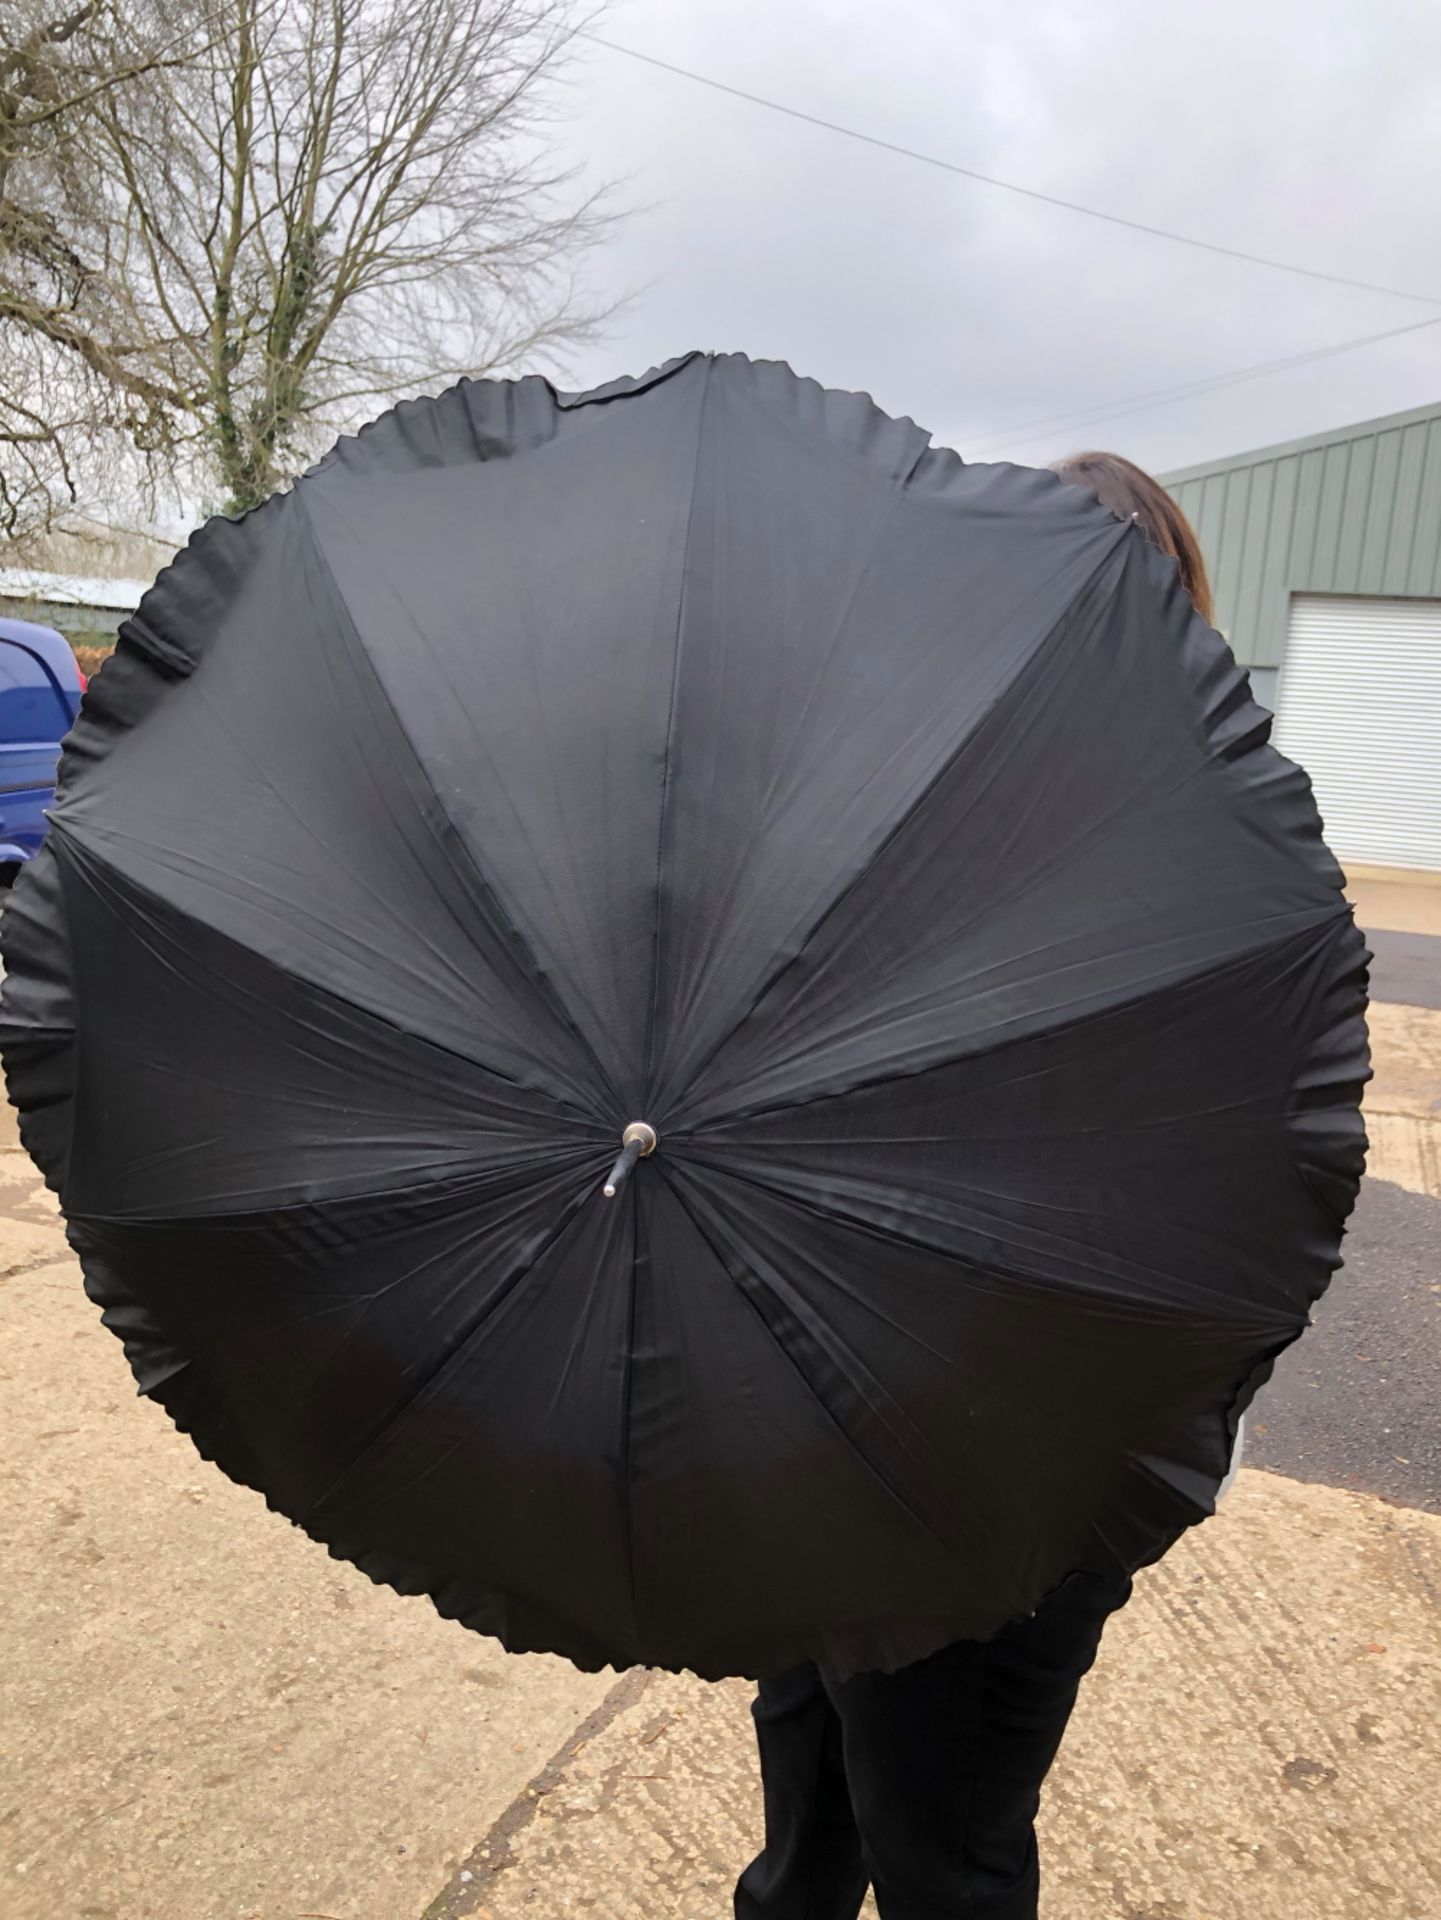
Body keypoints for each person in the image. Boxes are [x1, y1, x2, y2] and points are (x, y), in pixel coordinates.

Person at [735, 450, 1230, 1920]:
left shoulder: (1195, 869)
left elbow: (1230, 1216)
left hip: (1019, 1473)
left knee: (940, 1845)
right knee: (807, 1805)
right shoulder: (879, 816)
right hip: (825, 1424)